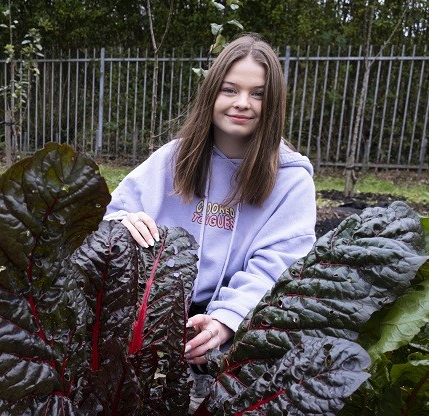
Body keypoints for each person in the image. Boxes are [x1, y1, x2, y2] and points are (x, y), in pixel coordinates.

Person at [104, 33, 317, 368]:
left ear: (273, 104)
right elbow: (112, 215)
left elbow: (281, 266)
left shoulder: (291, 180)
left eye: (258, 94)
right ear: (211, 93)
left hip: (238, 330)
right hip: (149, 320)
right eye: (230, 89)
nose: (243, 102)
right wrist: (122, 222)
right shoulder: (172, 158)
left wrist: (225, 321)